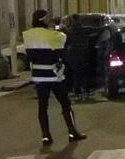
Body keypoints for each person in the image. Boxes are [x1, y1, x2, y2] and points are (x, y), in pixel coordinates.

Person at [23, 9, 87, 146]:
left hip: (38, 76)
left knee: (42, 106)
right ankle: (72, 131)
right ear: (44, 20)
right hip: (54, 75)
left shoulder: (27, 35)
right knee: (65, 104)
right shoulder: (53, 35)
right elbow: (64, 43)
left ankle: (45, 136)